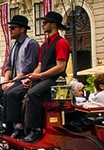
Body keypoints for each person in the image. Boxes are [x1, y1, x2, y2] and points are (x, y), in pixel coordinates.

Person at [20, 11, 71, 143]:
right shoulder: (44, 45)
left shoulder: (61, 43)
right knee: (21, 92)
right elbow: (40, 65)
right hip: (44, 78)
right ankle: (20, 127)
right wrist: (31, 77)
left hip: (56, 80)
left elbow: (60, 67)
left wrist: (40, 76)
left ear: (53, 25)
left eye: (45, 22)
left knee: (34, 93)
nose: (42, 25)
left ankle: (35, 129)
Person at [0, 14, 40, 136]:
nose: (10, 30)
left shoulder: (31, 44)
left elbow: (30, 66)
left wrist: (13, 82)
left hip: (26, 80)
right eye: (10, 28)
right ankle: (2, 123)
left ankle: (17, 126)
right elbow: (9, 66)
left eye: (13, 28)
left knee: (9, 94)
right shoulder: (14, 46)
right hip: (14, 80)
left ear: (22, 29)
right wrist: (6, 81)